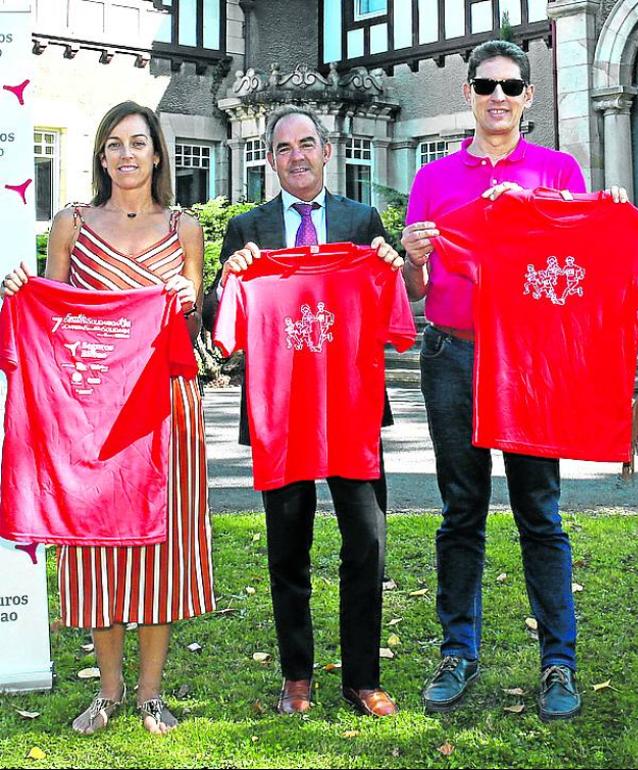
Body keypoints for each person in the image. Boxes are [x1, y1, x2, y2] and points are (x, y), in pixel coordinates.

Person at [400, 39, 628, 721]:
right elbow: (416, 289)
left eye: (509, 85)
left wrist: (600, 210)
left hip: (531, 362)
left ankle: (559, 661)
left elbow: (586, 256)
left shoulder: (557, 170)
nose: (497, 96)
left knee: (540, 510)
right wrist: (413, 259)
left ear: (529, 96)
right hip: (454, 355)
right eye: (485, 85)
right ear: (467, 93)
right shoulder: (434, 178)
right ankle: (457, 651)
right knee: (460, 509)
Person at [1, 101, 213, 735]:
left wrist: (188, 302)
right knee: (95, 548)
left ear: (157, 154)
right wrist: (20, 293)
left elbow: (193, 330)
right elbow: (54, 316)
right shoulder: (71, 223)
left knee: (162, 547)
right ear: (101, 156)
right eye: (114, 143)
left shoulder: (185, 228)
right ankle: (109, 690)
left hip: (165, 409)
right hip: (90, 410)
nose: (127, 154)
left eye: (138, 143)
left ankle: (150, 693)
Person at [207, 105, 404, 718]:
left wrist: (391, 263)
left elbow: (391, 301)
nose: (297, 156)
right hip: (281, 410)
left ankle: (362, 677)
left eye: (307, 144)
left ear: (327, 150)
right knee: (287, 546)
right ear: (270, 159)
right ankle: (296, 675)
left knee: (366, 542)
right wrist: (229, 276)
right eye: (284, 147)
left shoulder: (361, 221)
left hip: (351, 407)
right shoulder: (247, 228)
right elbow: (221, 316)